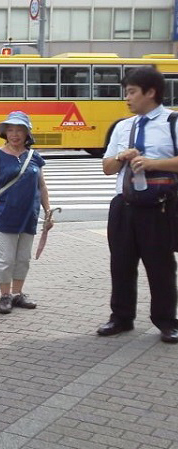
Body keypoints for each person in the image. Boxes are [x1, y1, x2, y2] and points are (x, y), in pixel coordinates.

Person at [97, 67, 178, 343]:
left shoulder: (172, 123)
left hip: (159, 206)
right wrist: (121, 156)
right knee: (120, 264)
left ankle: (167, 321)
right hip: (123, 204)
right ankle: (121, 317)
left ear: (151, 92)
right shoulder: (122, 126)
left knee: (161, 266)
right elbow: (107, 167)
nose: (127, 98)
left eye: (131, 92)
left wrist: (154, 163)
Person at [0, 111, 52, 315]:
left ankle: (17, 294)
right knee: (5, 259)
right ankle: (4, 295)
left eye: (19, 130)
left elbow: (42, 186)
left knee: (23, 258)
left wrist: (48, 211)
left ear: (27, 133)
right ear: (5, 133)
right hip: (3, 216)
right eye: (11, 130)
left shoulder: (34, 157)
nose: (15, 134)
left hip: (29, 216)